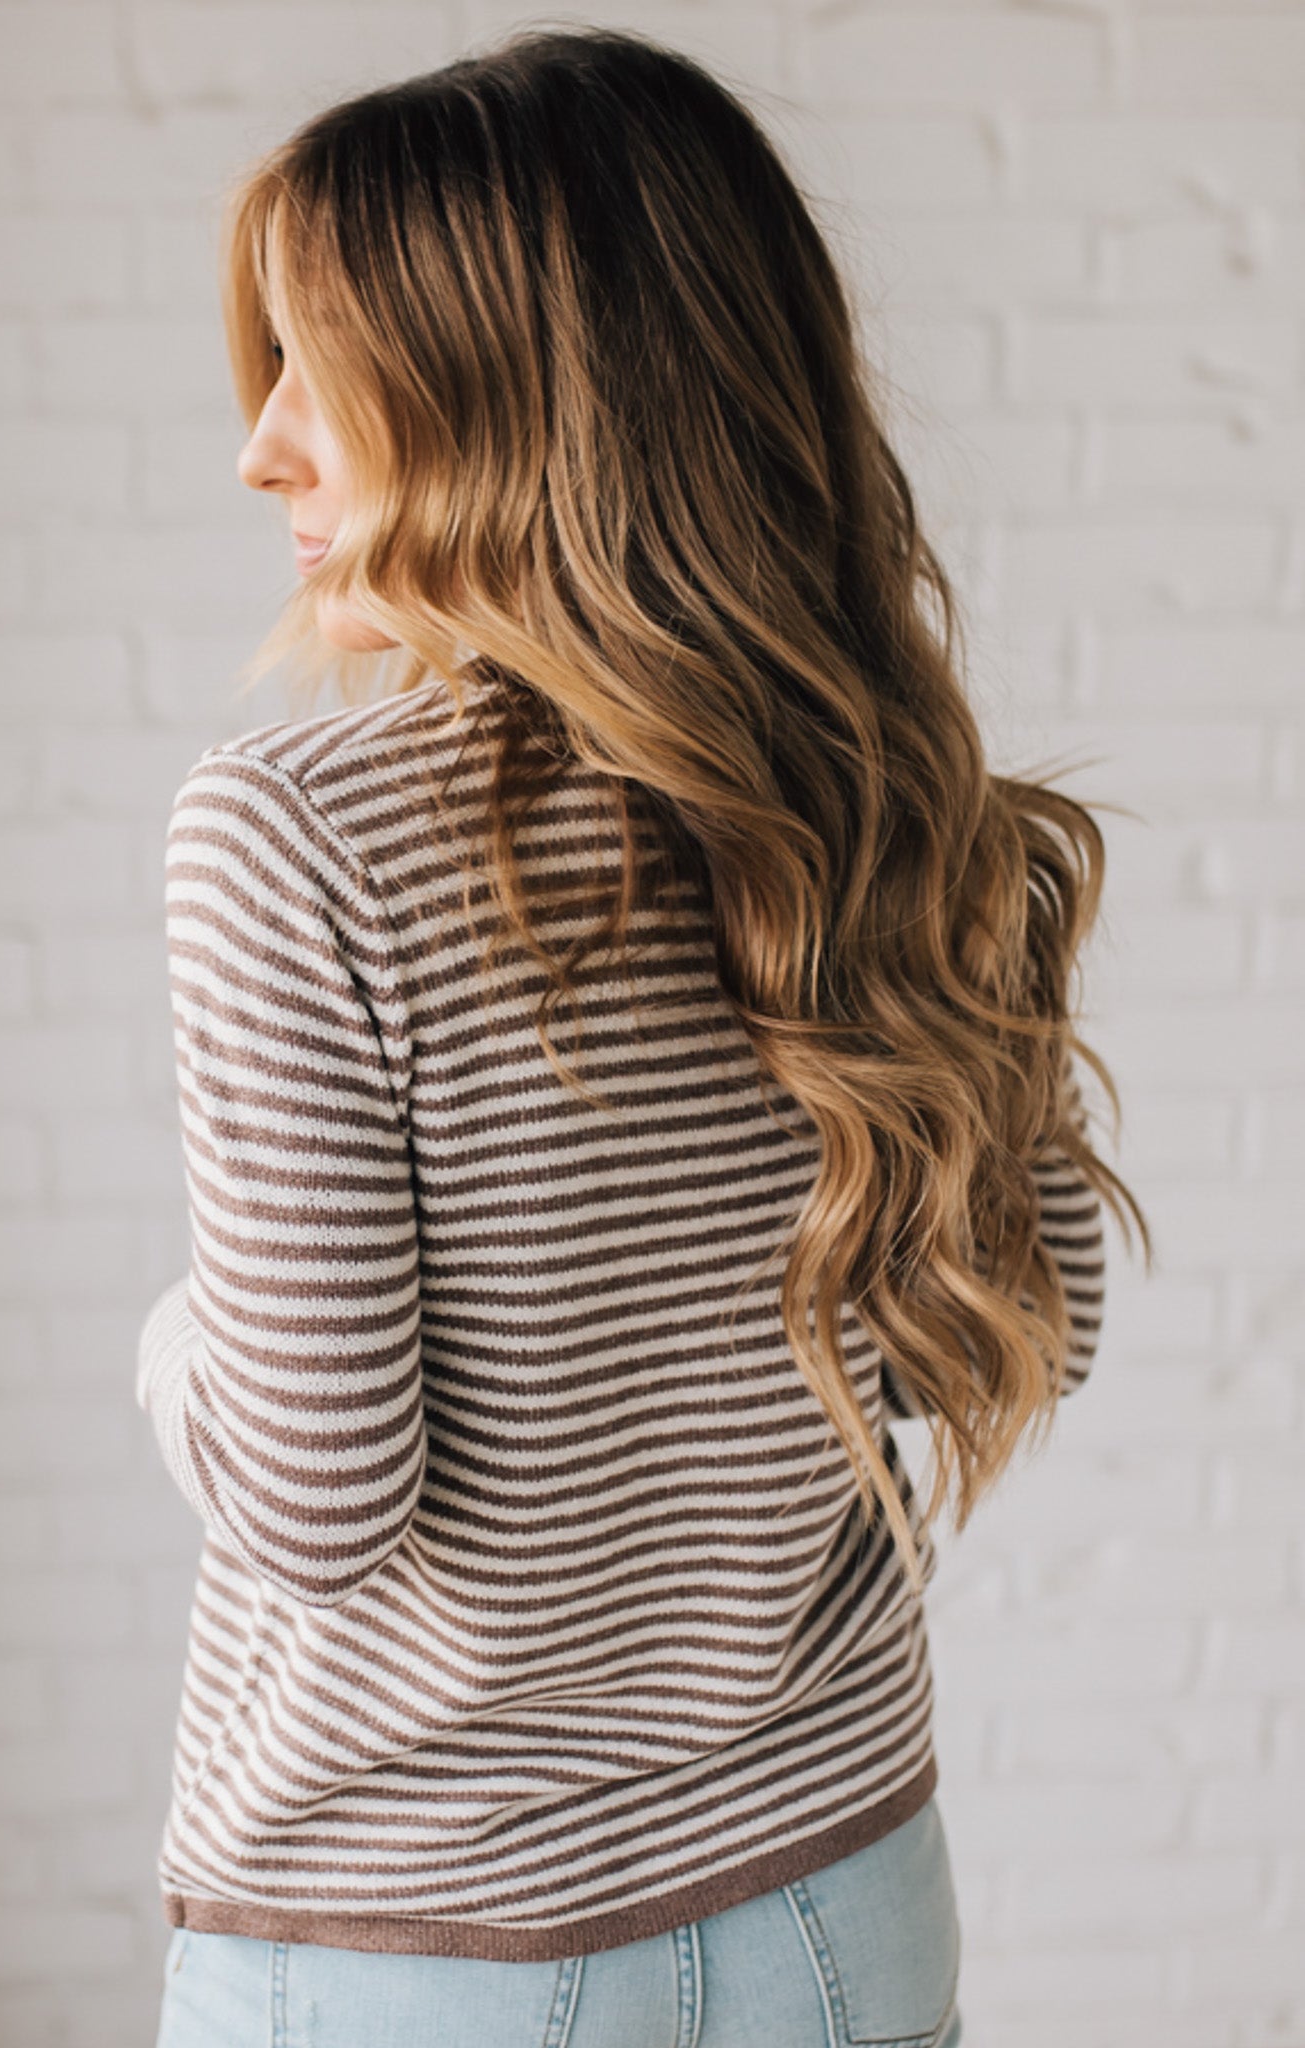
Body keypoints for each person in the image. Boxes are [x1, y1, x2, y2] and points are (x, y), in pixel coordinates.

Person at [136, 26, 1151, 2048]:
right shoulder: (900, 810)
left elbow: (319, 1510)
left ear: (524, 399)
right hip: (844, 1898)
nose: (263, 446)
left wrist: (169, 1343)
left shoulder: (294, 834)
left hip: (428, 1948)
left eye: (324, 368)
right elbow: (1033, 1324)